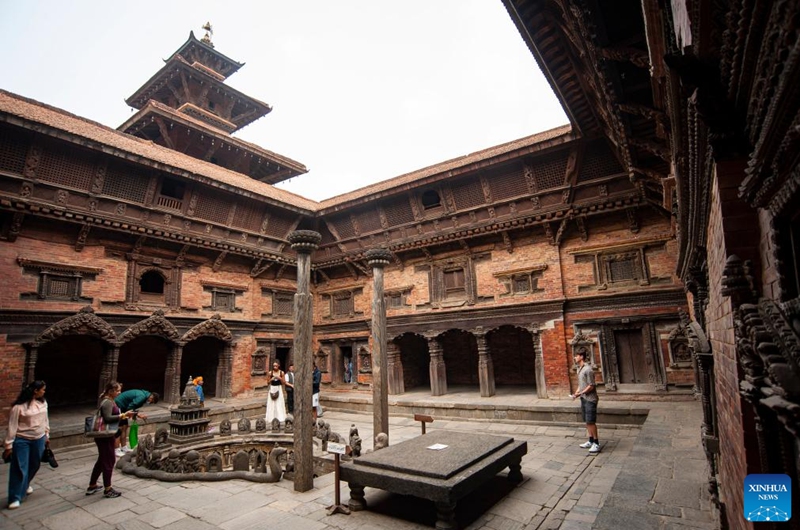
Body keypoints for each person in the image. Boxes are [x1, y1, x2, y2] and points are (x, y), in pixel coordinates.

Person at [3, 380, 49, 510]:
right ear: (35, 390)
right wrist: (8, 445)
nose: (44, 392)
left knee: (35, 464)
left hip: (39, 438)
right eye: (43, 389)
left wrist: (47, 434)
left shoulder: (43, 403)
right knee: (19, 467)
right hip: (22, 439)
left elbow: (45, 419)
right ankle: (15, 496)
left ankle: (25, 483)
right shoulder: (19, 407)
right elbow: (12, 426)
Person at [87, 381, 134, 499]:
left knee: (102, 460)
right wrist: (123, 416)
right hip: (104, 436)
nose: (119, 392)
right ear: (111, 391)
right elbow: (108, 418)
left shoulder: (110, 401)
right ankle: (108, 489)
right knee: (109, 460)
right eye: (117, 390)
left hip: (108, 435)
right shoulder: (107, 402)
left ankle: (92, 485)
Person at [114, 389, 159, 457]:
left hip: (124, 408)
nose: (150, 402)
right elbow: (130, 406)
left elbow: (132, 407)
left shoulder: (144, 395)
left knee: (125, 427)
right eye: (152, 401)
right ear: (151, 397)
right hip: (119, 405)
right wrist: (138, 415)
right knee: (119, 429)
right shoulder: (142, 397)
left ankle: (124, 447)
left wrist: (135, 415)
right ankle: (116, 450)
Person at [571, 350, 600, 454]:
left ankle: (596, 443)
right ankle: (590, 440)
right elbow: (581, 383)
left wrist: (581, 393)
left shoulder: (588, 370)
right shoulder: (579, 369)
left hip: (590, 399)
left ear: (581, 357)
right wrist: (576, 392)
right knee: (587, 421)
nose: (575, 358)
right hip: (583, 398)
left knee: (591, 421)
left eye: (576, 356)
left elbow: (591, 385)